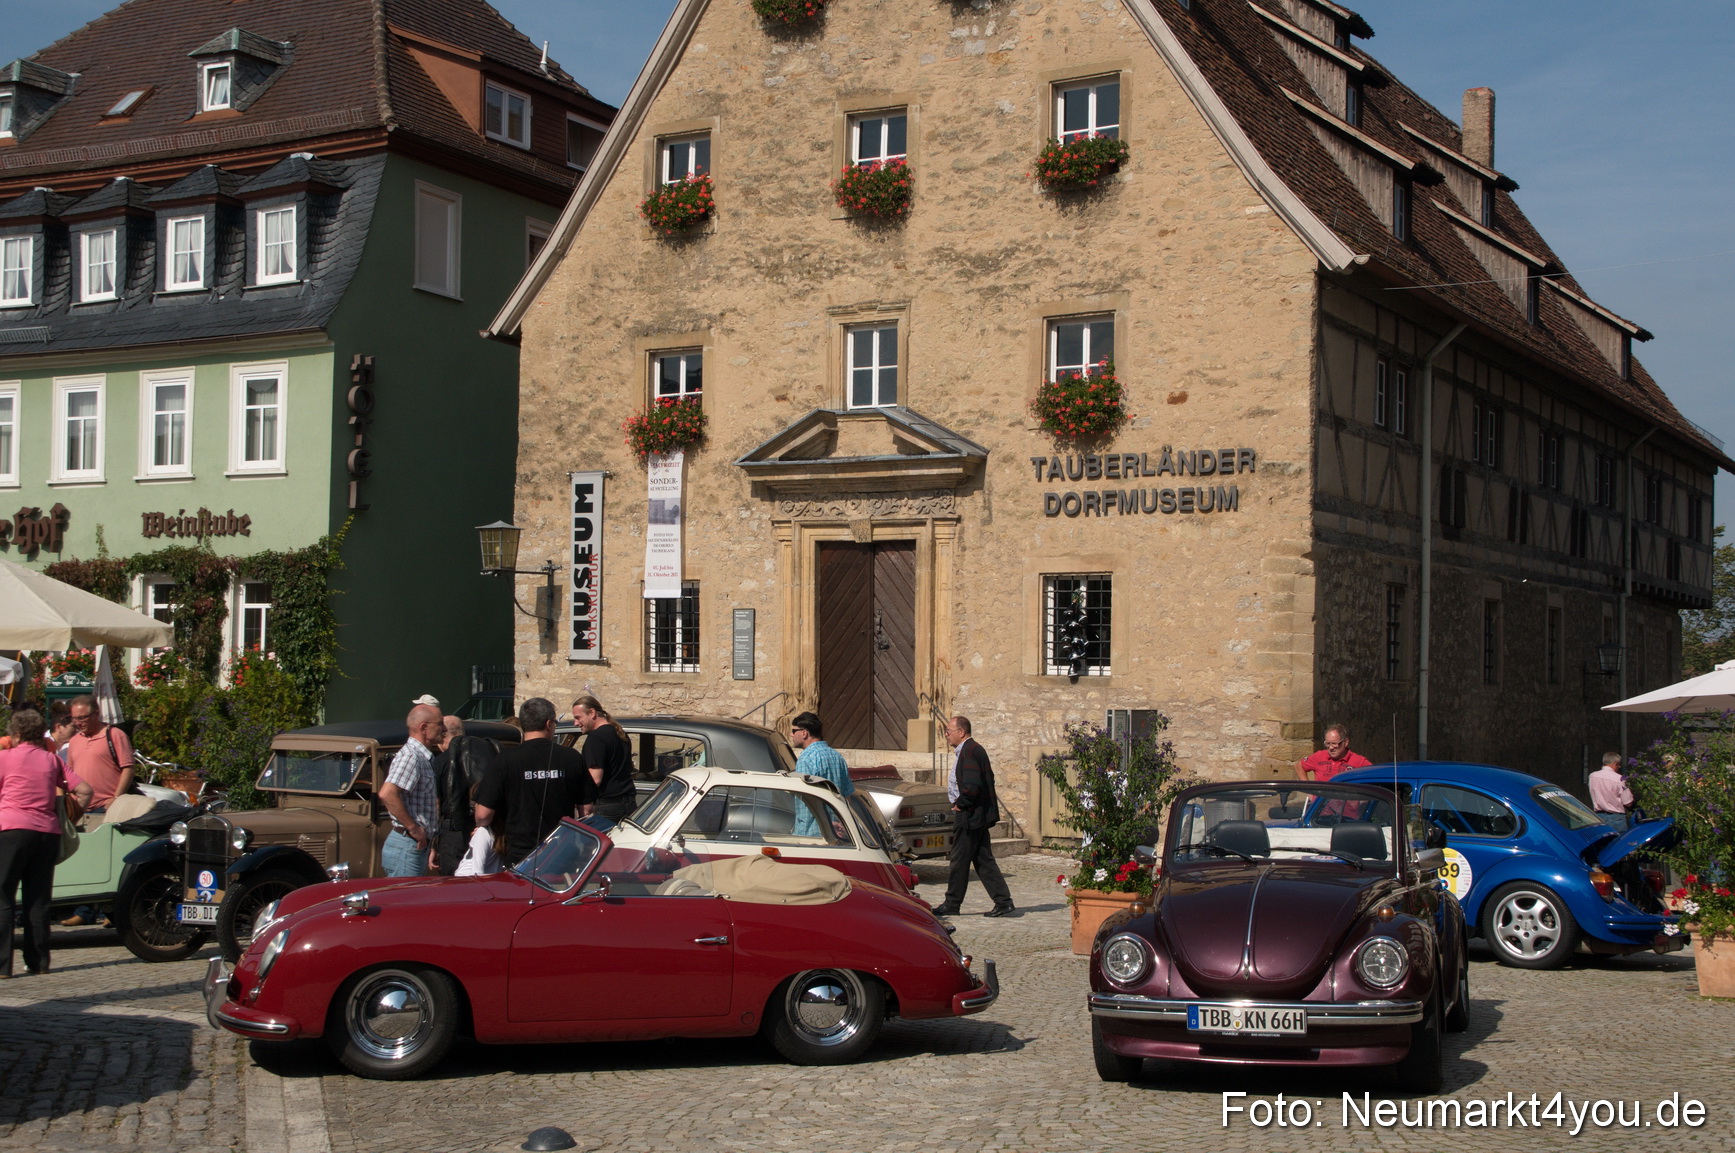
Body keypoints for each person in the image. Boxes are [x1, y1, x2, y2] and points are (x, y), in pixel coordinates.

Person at [0, 710, 93, 977]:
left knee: (3, 896)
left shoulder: (4, 758)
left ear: (17, 734)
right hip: (46, 833)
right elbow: (85, 790)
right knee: (38, 899)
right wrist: (70, 816)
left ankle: (2, 966)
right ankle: (38, 962)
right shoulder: (51, 759)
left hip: (12, 830)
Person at [474, 698, 594, 866]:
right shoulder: (572, 757)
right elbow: (586, 811)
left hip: (520, 856)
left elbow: (482, 815)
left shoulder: (504, 760)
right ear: (548, 724)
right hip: (561, 852)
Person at [932, 716, 1015, 918]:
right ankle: (1003, 902)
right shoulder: (971, 750)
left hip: (970, 815)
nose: (946, 734)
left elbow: (972, 786)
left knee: (959, 859)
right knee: (983, 859)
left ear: (961, 732)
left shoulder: (970, 751)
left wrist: (961, 804)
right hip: (975, 815)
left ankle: (953, 903)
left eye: (949, 731)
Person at [378, 704, 443, 877]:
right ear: (424, 728)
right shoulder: (411, 756)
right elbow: (387, 793)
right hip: (407, 844)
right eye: (440, 724)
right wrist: (413, 828)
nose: (444, 729)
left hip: (414, 845)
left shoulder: (422, 757)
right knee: (404, 894)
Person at [432, 715, 498, 875]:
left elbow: (436, 805)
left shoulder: (440, 761)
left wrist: (433, 844)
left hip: (453, 830)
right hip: (485, 827)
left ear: (443, 734)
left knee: (453, 881)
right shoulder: (485, 755)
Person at [63, 695, 135, 815]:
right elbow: (70, 772)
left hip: (106, 806)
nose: (78, 723)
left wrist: (116, 798)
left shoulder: (115, 735)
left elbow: (128, 769)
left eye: (82, 718)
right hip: (79, 806)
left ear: (96, 714)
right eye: (74, 719)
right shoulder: (74, 740)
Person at [788, 711, 853, 837]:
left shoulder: (806, 758)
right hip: (835, 831)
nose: (791, 734)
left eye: (794, 731)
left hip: (811, 833)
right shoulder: (837, 757)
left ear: (804, 733)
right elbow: (847, 796)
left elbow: (805, 798)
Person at [573, 695, 636, 822]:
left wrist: (581, 802)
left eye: (578, 717)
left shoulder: (596, 738)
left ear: (592, 713)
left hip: (607, 807)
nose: (576, 723)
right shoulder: (619, 733)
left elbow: (594, 779)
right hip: (628, 804)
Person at [1297, 723, 1372, 782]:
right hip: (1321, 797)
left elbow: (1373, 775)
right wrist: (1309, 791)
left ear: (1345, 742)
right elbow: (1299, 766)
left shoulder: (1359, 762)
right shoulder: (1319, 756)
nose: (1331, 748)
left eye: (1334, 744)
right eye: (1327, 743)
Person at [1588, 751, 1634, 831]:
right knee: (1619, 838)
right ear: (1615, 763)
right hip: (1616, 818)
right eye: (1619, 764)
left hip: (1598, 817)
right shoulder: (1619, 779)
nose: (1619, 767)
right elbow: (1628, 802)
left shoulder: (1592, 776)